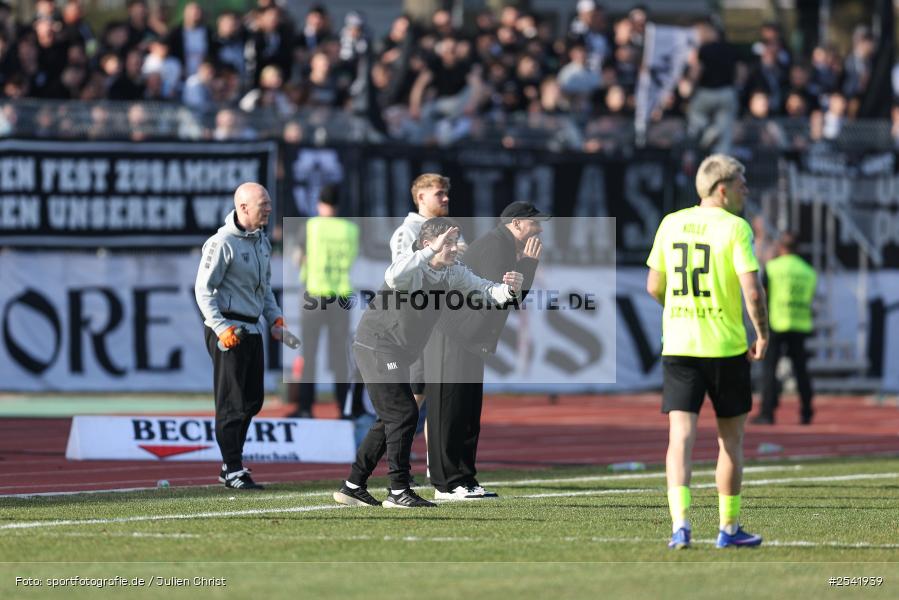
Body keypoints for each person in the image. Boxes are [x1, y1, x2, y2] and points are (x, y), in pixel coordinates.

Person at [333, 217, 523, 508]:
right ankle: (398, 490)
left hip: (396, 350)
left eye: (455, 241)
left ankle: (353, 485)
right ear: (428, 244)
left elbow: (486, 290)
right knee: (404, 413)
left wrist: (509, 290)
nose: (455, 247)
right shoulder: (413, 265)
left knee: (391, 418)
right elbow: (394, 275)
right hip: (377, 345)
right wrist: (428, 251)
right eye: (448, 242)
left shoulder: (452, 272)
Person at [646, 154, 768, 549]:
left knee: (679, 437)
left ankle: (680, 526)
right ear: (722, 189)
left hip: (680, 343)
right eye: (740, 183)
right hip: (725, 346)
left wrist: (679, 311)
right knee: (729, 441)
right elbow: (752, 290)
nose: (745, 190)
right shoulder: (736, 227)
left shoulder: (671, 223)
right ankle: (728, 529)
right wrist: (762, 333)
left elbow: (653, 285)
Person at [424, 201, 547, 500]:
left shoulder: (504, 247)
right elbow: (504, 298)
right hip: (451, 336)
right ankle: (445, 484)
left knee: (467, 412)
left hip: (469, 338)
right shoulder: (496, 247)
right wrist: (528, 265)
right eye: (534, 223)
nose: (540, 229)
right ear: (516, 224)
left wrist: (525, 266)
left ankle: (464, 478)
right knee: (448, 412)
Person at [195, 182, 297, 490]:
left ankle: (232, 463)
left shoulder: (261, 241)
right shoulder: (222, 242)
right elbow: (204, 289)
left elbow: (264, 289)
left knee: (252, 400)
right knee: (232, 402)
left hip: (253, 329)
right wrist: (220, 327)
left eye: (268, 203)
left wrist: (275, 318)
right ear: (243, 208)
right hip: (230, 330)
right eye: (262, 204)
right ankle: (232, 467)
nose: (268, 208)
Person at [388, 173, 461, 472]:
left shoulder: (449, 230)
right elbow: (401, 276)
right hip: (419, 327)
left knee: (438, 398)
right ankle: (393, 464)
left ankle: (437, 467)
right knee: (414, 398)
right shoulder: (407, 232)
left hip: (443, 325)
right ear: (420, 197)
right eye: (439, 194)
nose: (445, 199)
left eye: (446, 193)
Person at [290, 185, 359, 418]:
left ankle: (306, 407)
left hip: (314, 295)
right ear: (338, 205)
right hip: (341, 296)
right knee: (340, 356)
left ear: (319, 204)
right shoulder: (350, 229)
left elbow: (299, 258)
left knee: (309, 354)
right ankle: (344, 408)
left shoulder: (311, 227)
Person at [753, 232, 817, 425]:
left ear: (781, 247)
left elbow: (763, 294)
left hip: (776, 322)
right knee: (801, 370)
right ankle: (806, 411)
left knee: (770, 369)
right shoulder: (808, 271)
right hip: (799, 323)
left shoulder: (772, 267)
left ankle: (767, 412)